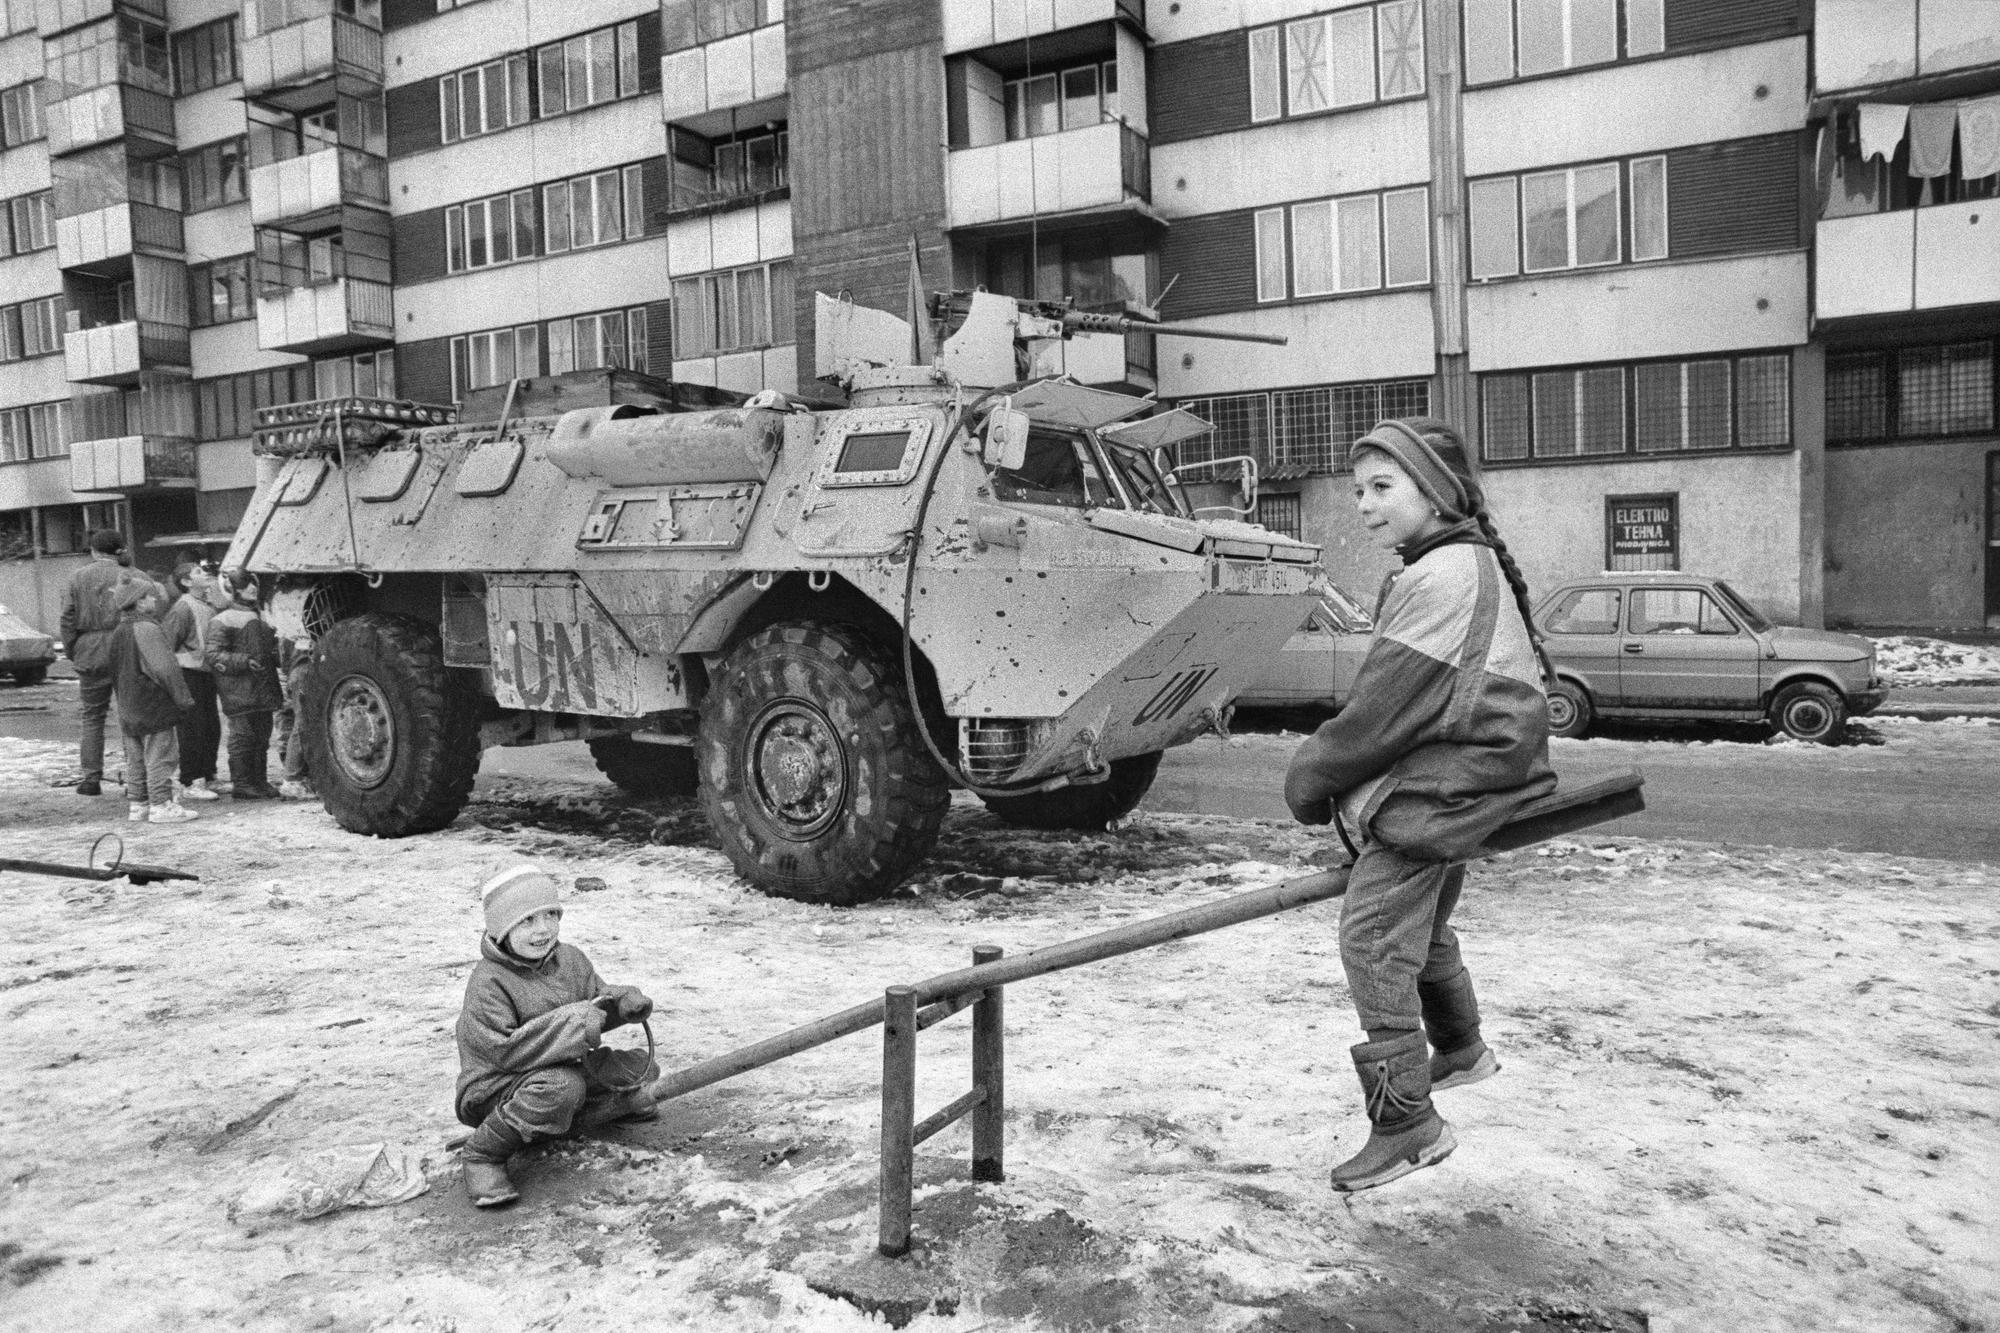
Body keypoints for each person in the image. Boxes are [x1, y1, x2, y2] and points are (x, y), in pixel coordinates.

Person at [1283, 417, 1555, 1193]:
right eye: (1358, 490)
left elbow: (1378, 714)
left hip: (1462, 772)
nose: (1364, 505)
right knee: (1422, 924)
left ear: (1434, 491)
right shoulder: (1457, 559)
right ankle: (1462, 1047)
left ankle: (1407, 1124)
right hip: (1489, 756)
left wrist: (1309, 778)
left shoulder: (1440, 576)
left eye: (1381, 487)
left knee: (1372, 938)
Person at [455, 866, 659, 1208]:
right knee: (562, 1088)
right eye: (528, 920)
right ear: (501, 928)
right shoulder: (488, 983)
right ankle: (483, 1155)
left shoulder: (571, 960)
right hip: (499, 1084)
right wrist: (576, 1022)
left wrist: (622, 1003)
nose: (544, 929)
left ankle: (582, 1112)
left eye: (551, 914)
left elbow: (595, 1002)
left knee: (640, 1070)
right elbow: (505, 1051)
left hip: (563, 1067)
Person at [106, 574, 197, 824]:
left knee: (135, 757)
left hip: (128, 702)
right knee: (161, 754)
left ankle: (139, 804)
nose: (153, 599)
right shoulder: (147, 628)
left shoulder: (118, 631)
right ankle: (161, 804)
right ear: (138, 602)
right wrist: (183, 699)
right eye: (147, 596)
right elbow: (166, 669)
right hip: (153, 703)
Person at [58, 528, 131, 796]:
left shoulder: (77, 577)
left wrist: (73, 649)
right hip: (125, 645)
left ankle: (91, 778)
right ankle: (136, 777)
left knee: (92, 716)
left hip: (89, 648)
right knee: (130, 714)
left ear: (93, 550)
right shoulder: (131, 575)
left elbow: (67, 617)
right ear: (119, 549)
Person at [204, 569, 283, 801]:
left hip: (260, 687)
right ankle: (243, 783)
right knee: (243, 737)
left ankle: (258, 781)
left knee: (261, 737)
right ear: (232, 589)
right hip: (240, 689)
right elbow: (214, 655)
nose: (252, 588)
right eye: (245, 584)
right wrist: (244, 661)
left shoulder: (257, 616)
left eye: (253, 583)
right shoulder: (222, 620)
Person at [161, 560, 222, 801]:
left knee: (210, 726)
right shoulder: (183, 608)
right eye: (197, 572)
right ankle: (191, 779)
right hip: (190, 673)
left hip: (205, 673)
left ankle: (207, 774)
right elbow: (168, 643)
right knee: (193, 728)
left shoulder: (206, 604)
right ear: (186, 582)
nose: (204, 573)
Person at [272, 635, 315, 800]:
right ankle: (292, 780)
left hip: (297, 671)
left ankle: (295, 778)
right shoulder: (293, 626)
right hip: (303, 670)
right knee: (303, 725)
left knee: (301, 725)